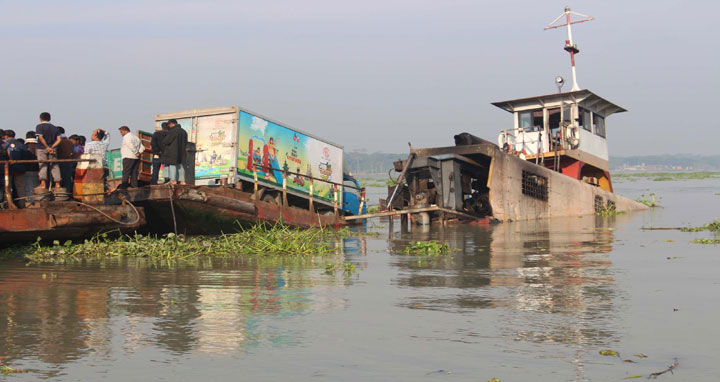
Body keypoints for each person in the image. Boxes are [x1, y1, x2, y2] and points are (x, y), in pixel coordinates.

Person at [35, 112, 62, 189]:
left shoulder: (39, 127)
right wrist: (52, 147)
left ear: (40, 118)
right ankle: (57, 183)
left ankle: (43, 183)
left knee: (42, 165)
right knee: (54, 165)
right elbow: (59, 139)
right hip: (53, 149)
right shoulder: (55, 128)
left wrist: (47, 147)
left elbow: (40, 138)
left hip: (41, 148)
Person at [2, 130, 28, 207]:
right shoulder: (21, 145)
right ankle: (22, 204)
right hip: (20, 170)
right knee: (20, 188)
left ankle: (7, 205)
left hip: (7, 170)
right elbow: (25, 157)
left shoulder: (4, 145)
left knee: (7, 188)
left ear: (6, 136)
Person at [161, 119, 188, 185]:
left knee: (172, 165)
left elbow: (167, 141)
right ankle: (182, 181)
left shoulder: (173, 131)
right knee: (180, 166)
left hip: (172, 152)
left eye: (169, 125)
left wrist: (163, 142)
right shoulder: (184, 131)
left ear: (171, 124)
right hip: (181, 152)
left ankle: (173, 180)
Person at [55, 126, 76, 192]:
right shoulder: (70, 142)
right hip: (68, 162)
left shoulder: (58, 141)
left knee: (58, 180)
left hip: (59, 162)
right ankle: (67, 194)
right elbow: (74, 153)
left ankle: (59, 195)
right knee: (67, 180)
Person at [23, 131, 40, 196]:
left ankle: (30, 201)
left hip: (26, 169)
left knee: (28, 188)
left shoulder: (24, 146)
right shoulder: (39, 146)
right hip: (39, 169)